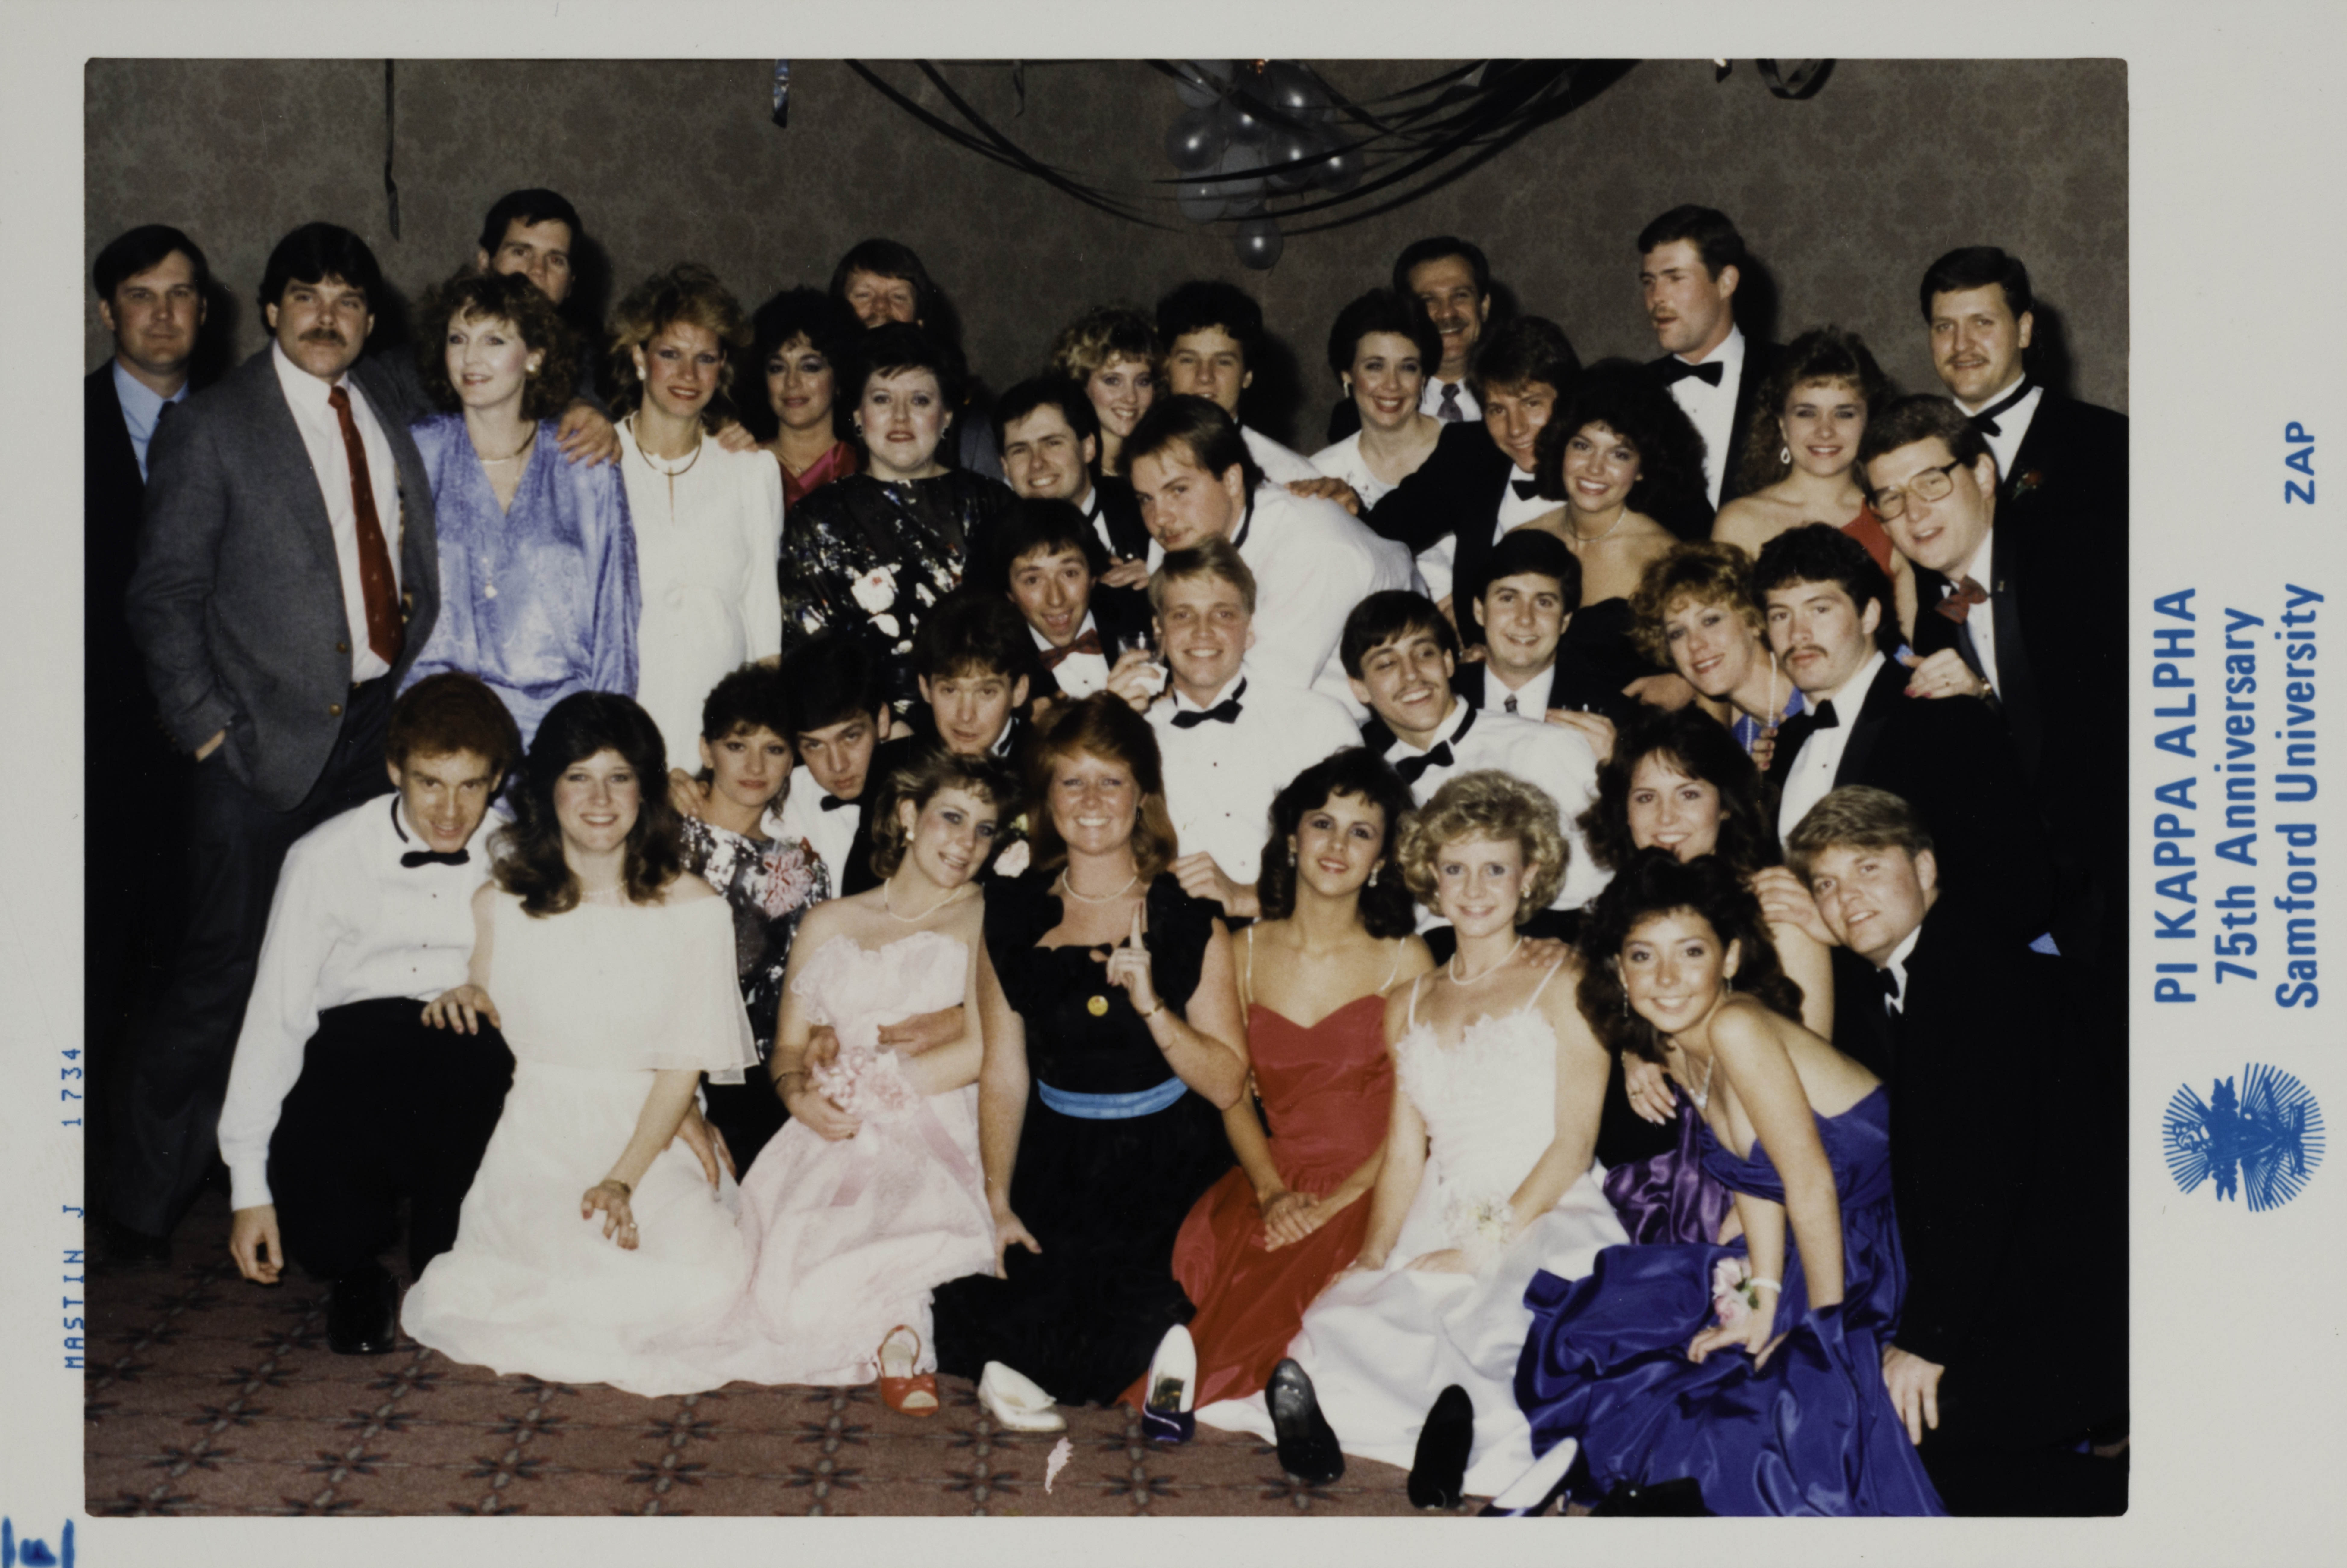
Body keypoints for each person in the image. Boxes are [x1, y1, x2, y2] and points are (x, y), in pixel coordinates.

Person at [114, 222, 441, 1259]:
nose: (325, 316)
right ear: (268, 310)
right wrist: (207, 730)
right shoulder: (215, 425)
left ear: (371, 319)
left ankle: (310, 1188)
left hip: (372, 733)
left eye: (346, 300)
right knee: (224, 971)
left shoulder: (387, 401)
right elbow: (163, 595)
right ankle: (137, 1204)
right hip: (257, 746)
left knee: (344, 971)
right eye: (305, 296)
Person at [1511, 850, 1944, 1516]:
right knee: (1622, 1330)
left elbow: (1809, 1186)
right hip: (1815, 1234)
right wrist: (1762, 1301)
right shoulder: (1674, 1043)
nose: (1667, 978)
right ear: (1619, 971)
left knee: (1774, 1405)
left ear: (1731, 958)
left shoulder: (1737, 1025)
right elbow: (1753, 1178)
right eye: (1643, 956)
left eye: (1691, 952)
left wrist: (1822, 1334)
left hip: (1886, 1238)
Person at [1239, 770, 1627, 1504]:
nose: (1473, 889)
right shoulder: (1408, 1001)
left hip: (1542, 1203)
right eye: (1454, 869)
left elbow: (1573, 1146)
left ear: (1529, 876)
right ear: (1431, 879)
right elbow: (1404, 1151)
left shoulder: (1565, 977)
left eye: (1494, 870)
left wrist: (1485, 1242)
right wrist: (1372, 1254)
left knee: (1496, 1320)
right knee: (1351, 1317)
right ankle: (1372, 1432)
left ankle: (1458, 1439)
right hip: (1439, 1203)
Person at [400, 692, 758, 1397]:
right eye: (579, 777)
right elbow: (484, 1023)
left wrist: (622, 1179)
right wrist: (461, 996)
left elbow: (680, 1069)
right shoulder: (499, 904)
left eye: (619, 777)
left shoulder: (695, 909)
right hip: (534, 1134)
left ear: (645, 790)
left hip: (648, 1130)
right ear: (548, 790)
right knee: (537, 1279)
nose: (600, 799)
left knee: (707, 1277)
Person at [1786, 788, 2125, 1515]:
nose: (1847, 898)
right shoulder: (1933, 965)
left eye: (1868, 868)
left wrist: (1928, 1341)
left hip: (2079, 1307)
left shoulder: (1971, 979)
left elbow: (1982, 1176)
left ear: (1925, 868)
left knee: (1906, 1446)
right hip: (2036, 1286)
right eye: (1826, 884)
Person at [931, 695, 1250, 1411]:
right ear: (1047, 798)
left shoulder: (1187, 919)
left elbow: (1228, 1083)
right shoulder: (1011, 913)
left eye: (1111, 780)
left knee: (1135, 1341)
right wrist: (997, 1197)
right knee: (1004, 1329)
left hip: (1166, 1167)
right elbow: (1004, 1074)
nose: (1092, 801)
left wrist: (1154, 1009)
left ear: (1143, 796)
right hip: (1059, 1160)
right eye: (1071, 781)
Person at [216, 674, 521, 1354]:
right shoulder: (323, 858)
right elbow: (275, 1019)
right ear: (393, 769)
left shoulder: (518, 855)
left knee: (476, 1054)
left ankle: (447, 1256)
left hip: (464, 1049)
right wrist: (248, 1188)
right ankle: (355, 1273)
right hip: (351, 1049)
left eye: (471, 785)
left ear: (498, 779)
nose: (450, 811)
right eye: (430, 783)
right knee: (322, 1220)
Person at [703, 747, 1013, 1409]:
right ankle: (890, 1334)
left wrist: (872, 1088)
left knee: (876, 1256)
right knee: (779, 1294)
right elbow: (788, 1047)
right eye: (952, 818)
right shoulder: (831, 920)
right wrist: (796, 1093)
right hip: (830, 1126)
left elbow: (983, 1050)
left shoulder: (986, 914)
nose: (966, 843)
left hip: (934, 1117)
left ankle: (901, 1329)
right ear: (908, 814)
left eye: (984, 829)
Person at [1152, 749, 1432, 1416]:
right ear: (1290, 838)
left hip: (1379, 1178)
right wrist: (1272, 1192)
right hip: (1274, 1177)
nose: (1337, 845)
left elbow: (1417, 1114)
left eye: (1361, 832)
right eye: (1322, 823)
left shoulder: (1407, 958)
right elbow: (1231, 1093)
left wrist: (1334, 1206)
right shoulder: (1241, 951)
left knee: (1317, 1302)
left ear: (1383, 857)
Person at [1859, 393, 2124, 981]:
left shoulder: (2074, 552)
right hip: (2064, 911)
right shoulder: (1938, 619)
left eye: (1931, 482)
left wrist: (1985, 699)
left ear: (1982, 475)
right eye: (1891, 498)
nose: (1914, 512)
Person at [1754, 524, 2053, 943]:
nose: (1798, 633)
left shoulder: (1942, 716)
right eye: (1780, 615)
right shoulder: (1781, 748)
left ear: (1869, 615)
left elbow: (2020, 890)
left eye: (1819, 609)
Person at [399, 269, 638, 748]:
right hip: (438, 729)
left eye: (494, 340)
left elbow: (616, 616)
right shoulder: (416, 455)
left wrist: (607, 740)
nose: (470, 358)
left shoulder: (584, 465)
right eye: (458, 338)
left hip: (559, 732)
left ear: (534, 357)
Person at [85, 223, 211, 1128]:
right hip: (89, 759)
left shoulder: (243, 427)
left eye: (179, 295)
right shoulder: (45, 428)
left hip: (207, 759)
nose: (162, 315)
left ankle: (161, 1170)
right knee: (88, 976)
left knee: (189, 978)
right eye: (140, 295)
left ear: (205, 310)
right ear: (107, 312)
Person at [1124, 394, 1418, 717]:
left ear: (1232, 480)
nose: (1160, 518)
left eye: (1179, 490)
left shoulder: (1311, 544)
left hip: (1386, 726)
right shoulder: (1181, 533)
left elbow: (1254, 698)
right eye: (1146, 499)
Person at [778, 322, 1014, 712]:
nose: (901, 417)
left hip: (983, 719)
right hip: (866, 732)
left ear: (947, 416)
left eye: (920, 400)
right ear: (858, 414)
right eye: (883, 399)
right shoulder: (816, 518)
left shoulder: (993, 504)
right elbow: (809, 654)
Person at [608, 264, 784, 771]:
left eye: (705, 358)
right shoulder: (597, 461)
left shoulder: (750, 469)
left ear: (722, 366)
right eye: (671, 354)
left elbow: (764, 627)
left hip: (721, 738)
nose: (688, 375)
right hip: (624, 729)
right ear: (639, 357)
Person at [1341, 592, 1610, 919]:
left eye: (1424, 653)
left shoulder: (1543, 746)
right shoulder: (1372, 788)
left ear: (1448, 662)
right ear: (1360, 688)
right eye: (1386, 663)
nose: (1411, 674)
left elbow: (1599, 881)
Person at [1579, 705, 1833, 1042]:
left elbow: (1813, 1056)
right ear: (1625, 812)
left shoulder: (1777, 910)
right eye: (1646, 797)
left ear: (1725, 805)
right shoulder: (1618, 910)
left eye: (1689, 794)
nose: (1666, 817)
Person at [1143, 541, 1363, 919]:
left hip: (1302, 933)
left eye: (1223, 614)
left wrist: (1249, 899)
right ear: (1159, 631)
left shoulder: (1320, 722)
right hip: (1184, 938)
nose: (1202, 632)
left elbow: (1365, 854)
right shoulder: (1136, 736)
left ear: (1249, 630)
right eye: (1183, 615)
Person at [669, 664, 830, 1166]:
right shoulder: (658, 832)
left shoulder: (799, 870)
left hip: (742, 1077)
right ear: (706, 750)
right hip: (641, 1051)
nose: (755, 765)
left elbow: (792, 1001)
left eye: (774, 748)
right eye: (737, 745)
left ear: (791, 760)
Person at [1356, 315, 1582, 611]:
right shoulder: (1470, 455)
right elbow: (1380, 532)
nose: (1516, 429)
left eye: (1531, 403)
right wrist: (1342, 502)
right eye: (1497, 409)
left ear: (1566, 400)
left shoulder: (1604, 472)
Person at [1918, 246, 2127, 545]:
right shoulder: (1908, 452)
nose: (1961, 344)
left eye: (1982, 322)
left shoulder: (2109, 440)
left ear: (2024, 330)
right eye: (1944, 326)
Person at [1523, 359, 1706, 694]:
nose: (1595, 468)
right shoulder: (1523, 541)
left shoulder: (1664, 558)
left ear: (1643, 468)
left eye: (1619, 454)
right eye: (1583, 446)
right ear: (1562, 448)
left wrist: (1685, 685)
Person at [1711, 325, 1908, 626]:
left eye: (1844, 413)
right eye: (1806, 413)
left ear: (1869, 423)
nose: (1825, 430)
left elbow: (1911, 644)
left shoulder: (1894, 518)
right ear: (1782, 424)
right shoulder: (1738, 524)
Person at [1635, 204, 1784, 533]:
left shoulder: (1791, 376)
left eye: (1675, 278)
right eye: (1649, 282)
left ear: (1726, 282)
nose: (1657, 298)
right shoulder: (1629, 392)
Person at [828, 237, 1002, 481]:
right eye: (864, 295)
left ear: (920, 322)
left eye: (899, 297)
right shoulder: (814, 414)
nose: (881, 307)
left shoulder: (968, 433)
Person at [1629, 539, 1805, 762]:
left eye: (1711, 620)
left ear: (1753, 619)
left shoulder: (1816, 696)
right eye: (1677, 633)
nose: (1695, 644)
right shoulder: (1741, 746)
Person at [993, 376, 1151, 621]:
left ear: (1088, 447)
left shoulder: (1146, 510)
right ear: (1005, 466)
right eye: (1020, 450)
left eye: (1053, 443)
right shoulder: (992, 544)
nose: (1037, 463)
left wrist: (1164, 578)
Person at [986, 497, 1154, 709]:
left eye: (1070, 573)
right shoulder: (999, 671)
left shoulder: (1143, 619)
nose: (1056, 599)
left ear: (1093, 576)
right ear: (1009, 592)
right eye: (1033, 580)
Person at [1455, 528, 1634, 723]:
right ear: (1479, 611)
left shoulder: (1615, 717)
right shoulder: (1443, 696)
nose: (1525, 619)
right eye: (1508, 599)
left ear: (1565, 621)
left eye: (1544, 603)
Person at [1325, 237, 1494, 441]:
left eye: (1460, 295)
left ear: (1484, 306)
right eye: (1429, 300)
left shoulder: (1521, 398)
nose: (1447, 313)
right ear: (1406, 312)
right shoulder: (1354, 419)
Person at [1155, 279, 1320, 484]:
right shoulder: (1137, 458)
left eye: (1223, 362)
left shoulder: (1292, 475)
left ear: (1247, 376)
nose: (1205, 376)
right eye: (1188, 360)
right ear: (1167, 369)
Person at [771, 634, 893, 891]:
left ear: (882, 721)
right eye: (814, 745)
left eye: (851, 737)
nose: (838, 765)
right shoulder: (783, 798)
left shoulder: (929, 790)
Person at [1309, 289, 1445, 508]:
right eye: (1375, 367)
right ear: (1347, 374)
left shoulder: (1464, 450)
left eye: (1408, 368)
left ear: (1423, 377)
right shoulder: (1324, 473)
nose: (1392, 384)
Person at [748, 286, 862, 507]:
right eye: (778, 368)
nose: (792, 382)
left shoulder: (864, 469)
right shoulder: (742, 464)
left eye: (810, 367)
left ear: (839, 378)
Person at [1047, 303, 1158, 481]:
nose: (1131, 397)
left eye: (1143, 381)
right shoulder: (1058, 470)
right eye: (1113, 381)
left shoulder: (1163, 466)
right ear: (1082, 384)